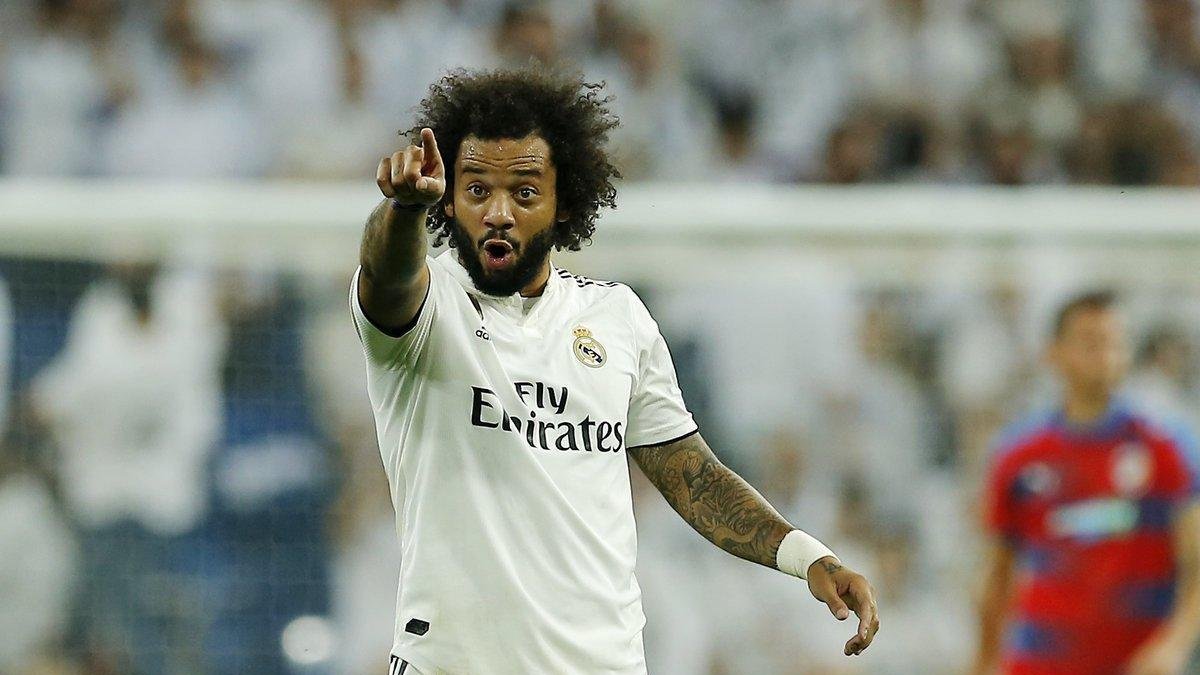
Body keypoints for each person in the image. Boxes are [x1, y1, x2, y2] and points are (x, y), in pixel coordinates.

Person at [350, 68, 880, 674]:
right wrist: (402, 212)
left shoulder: (616, 316)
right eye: (476, 191)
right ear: (448, 199)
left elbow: (693, 479)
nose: (498, 212)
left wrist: (808, 557)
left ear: (563, 201)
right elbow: (388, 276)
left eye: (524, 192)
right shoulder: (427, 305)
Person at [973, 291, 1200, 675]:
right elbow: (997, 577)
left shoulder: (1166, 448)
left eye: (1115, 343)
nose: (1106, 355)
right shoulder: (1019, 455)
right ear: (1055, 353)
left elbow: (1196, 562)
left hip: (1132, 661)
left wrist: (1174, 644)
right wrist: (982, 663)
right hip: (1041, 663)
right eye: (1091, 342)